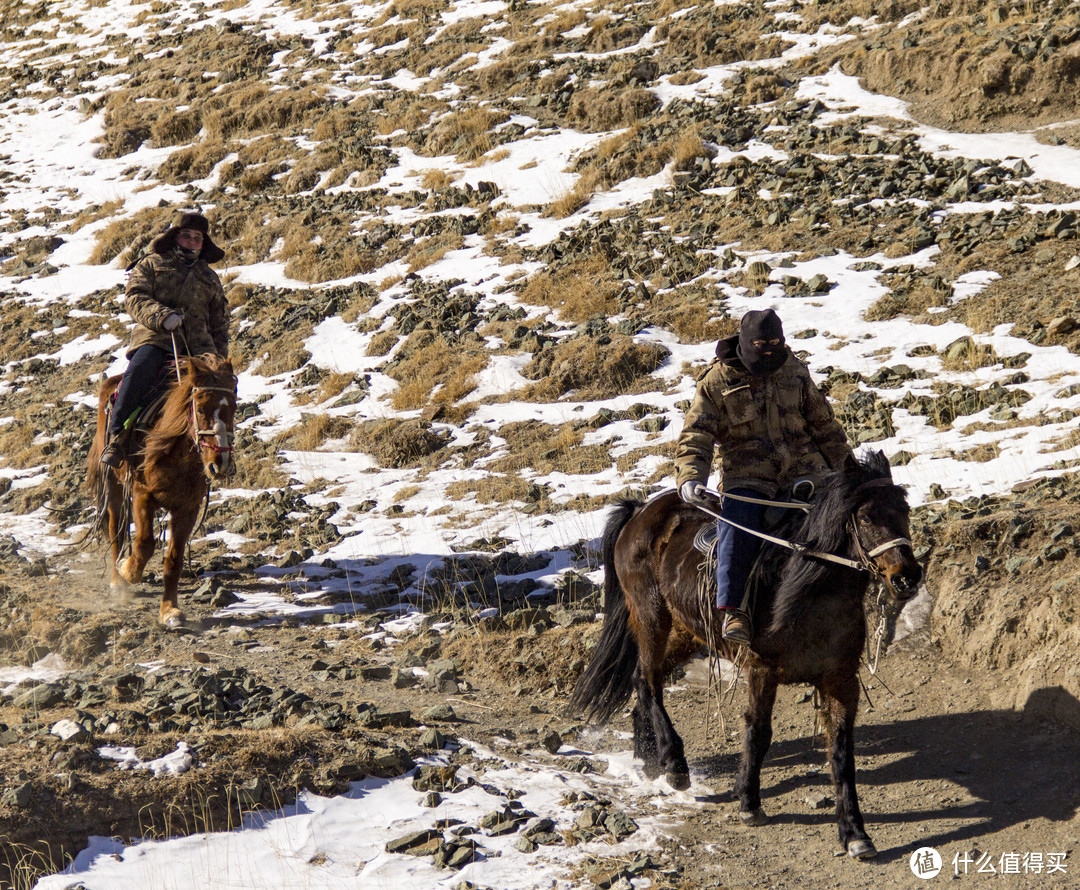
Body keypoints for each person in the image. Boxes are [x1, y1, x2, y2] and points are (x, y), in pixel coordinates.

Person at [673, 308, 853, 644]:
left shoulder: (795, 370)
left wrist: (848, 471)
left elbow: (825, 427)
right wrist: (690, 478)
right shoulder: (716, 381)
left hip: (808, 472)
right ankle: (733, 610)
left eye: (775, 343)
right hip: (748, 479)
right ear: (744, 343)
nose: (768, 351)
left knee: (854, 519)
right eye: (760, 345)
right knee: (736, 529)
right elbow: (696, 435)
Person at [99, 212, 229, 468]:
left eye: (197, 238)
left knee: (221, 396)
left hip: (198, 352)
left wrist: (219, 360)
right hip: (157, 339)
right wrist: (161, 316)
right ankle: (118, 437)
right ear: (174, 237)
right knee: (138, 374)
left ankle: (222, 449)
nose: (191, 241)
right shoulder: (151, 264)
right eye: (186, 235)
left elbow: (220, 323)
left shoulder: (210, 278)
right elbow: (134, 296)